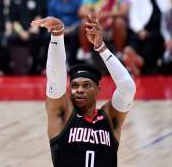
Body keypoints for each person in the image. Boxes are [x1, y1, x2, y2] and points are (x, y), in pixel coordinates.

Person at [32, 13, 136, 167]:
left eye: (86, 85)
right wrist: (57, 35)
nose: (79, 90)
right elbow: (55, 79)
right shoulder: (63, 115)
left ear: (98, 88)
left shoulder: (109, 118)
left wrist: (102, 48)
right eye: (74, 86)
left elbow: (127, 87)